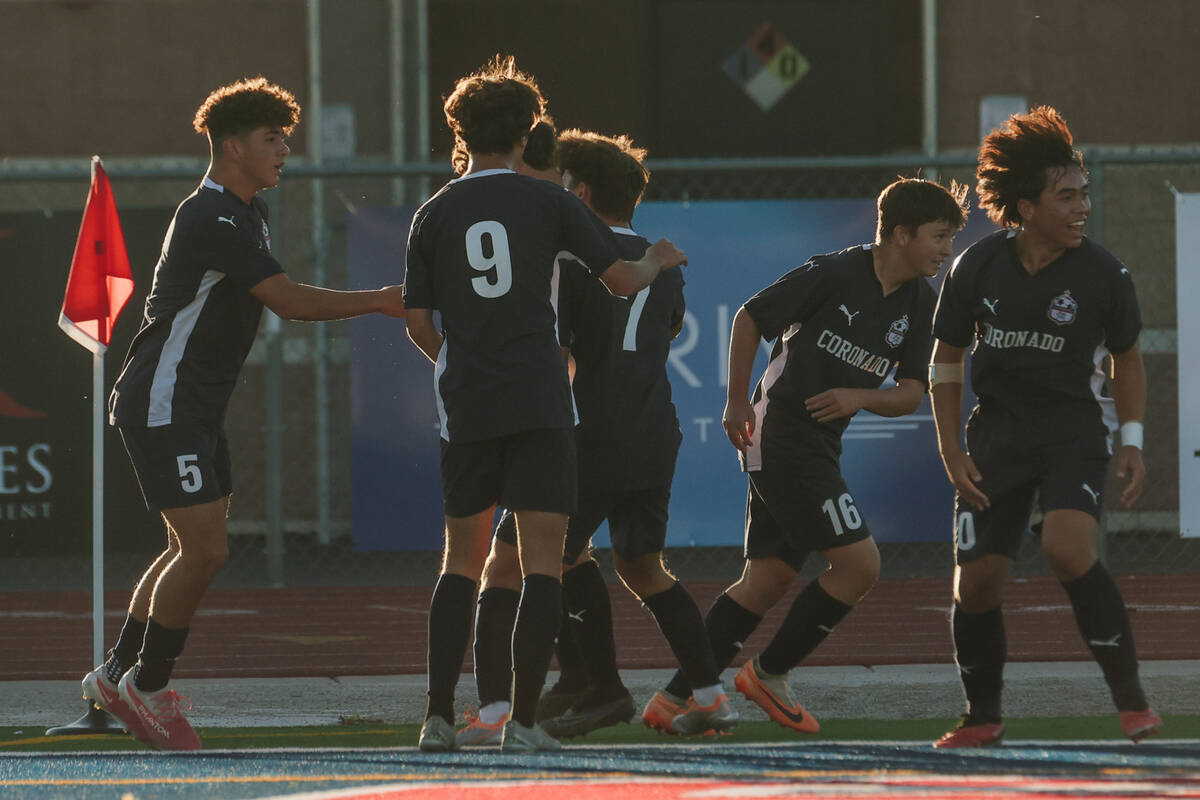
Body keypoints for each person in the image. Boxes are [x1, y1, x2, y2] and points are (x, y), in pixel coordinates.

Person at [81, 76, 407, 751]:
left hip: (188, 405)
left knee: (186, 548)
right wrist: (381, 299)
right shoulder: (215, 215)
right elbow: (288, 300)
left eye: (285, 137)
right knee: (206, 550)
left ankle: (116, 673)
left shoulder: (243, 211)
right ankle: (148, 685)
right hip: (165, 400)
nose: (286, 149)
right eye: (272, 138)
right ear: (232, 147)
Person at [402, 56, 687, 753]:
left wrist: (464, 366)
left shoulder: (435, 211)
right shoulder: (551, 202)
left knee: (460, 563)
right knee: (541, 562)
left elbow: (417, 321)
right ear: (528, 132)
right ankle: (524, 723)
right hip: (539, 402)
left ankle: (438, 716)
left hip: (469, 403)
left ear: (458, 130)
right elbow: (620, 280)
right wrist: (658, 262)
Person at [647, 177, 969, 735]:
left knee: (766, 579)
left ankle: (677, 698)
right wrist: (733, 403)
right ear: (898, 234)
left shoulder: (922, 301)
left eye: (950, 239)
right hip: (781, 438)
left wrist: (858, 396)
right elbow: (749, 317)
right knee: (860, 564)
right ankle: (767, 674)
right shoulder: (835, 273)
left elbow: (911, 392)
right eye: (939, 236)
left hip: (819, 445)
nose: (946, 250)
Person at [462, 129, 735, 745]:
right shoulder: (657, 260)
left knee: (511, 562)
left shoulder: (568, 257)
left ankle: (523, 705)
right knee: (641, 565)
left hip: (586, 434)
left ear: (579, 192)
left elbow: (556, 354)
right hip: (651, 432)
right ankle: (711, 695)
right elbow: (669, 329)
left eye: (561, 184)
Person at [928, 106, 1161, 748]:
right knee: (975, 585)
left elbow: (1129, 359)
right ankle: (983, 719)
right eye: (1068, 196)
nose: (1083, 206)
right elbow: (945, 360)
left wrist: (1133, 442)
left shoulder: (1104, 274)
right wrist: (950, 446)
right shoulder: (975, 267)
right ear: (1026, 208)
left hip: (1073, 435)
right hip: (996, 438)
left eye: (1084, 192)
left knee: (1066, 547)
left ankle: (1134, 705)